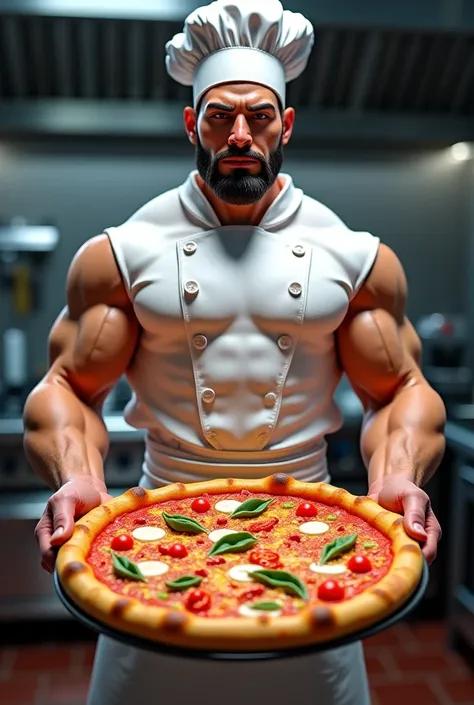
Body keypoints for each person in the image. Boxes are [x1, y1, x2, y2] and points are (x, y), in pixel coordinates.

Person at [23, 1, 445, 704]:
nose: (240, 134)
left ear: (288, 124)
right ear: (193, 124)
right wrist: (76, 475)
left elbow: (403, 387)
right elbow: (66, 384)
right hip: (156, 548)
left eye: (260, 116)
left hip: (315, 551)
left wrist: (397, 474)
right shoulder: (123, 254)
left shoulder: (355, 257)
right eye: (220, 116)